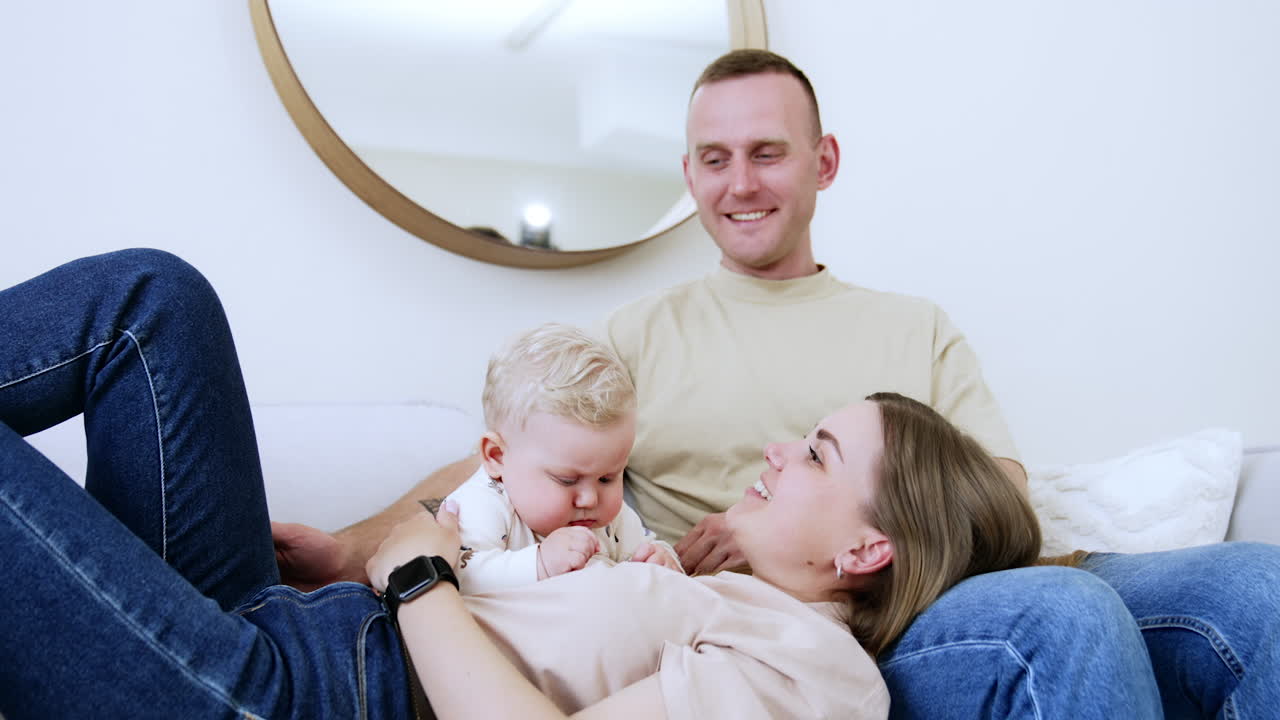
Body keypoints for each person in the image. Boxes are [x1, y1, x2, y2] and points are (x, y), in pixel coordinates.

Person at [276, 48, 1280, 719]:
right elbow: (497, 469)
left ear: (821, 162)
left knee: (1258, 585)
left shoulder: (912, 325)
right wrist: (346, 548)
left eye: (765, 153)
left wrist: (867, 540)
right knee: (1063, 623)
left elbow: (997, 502)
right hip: (796, 623)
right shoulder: (639, 336)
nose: (740, 183)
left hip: (917, 581)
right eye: (713, 160)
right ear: (687, 171)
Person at [1, 249, 1162, 718]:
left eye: (812, 452)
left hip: (291, 694)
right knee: (152, 303)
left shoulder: (813, 672)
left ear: (867, 550)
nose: (772, 451)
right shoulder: (672, 557)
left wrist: (415, 574)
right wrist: (362, 545)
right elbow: (520, 461)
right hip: (279, 618)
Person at [446, 322, 680, 595]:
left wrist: (662, 560)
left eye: (608, 478)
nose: (590, 499)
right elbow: (460, 575)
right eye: (567, 480)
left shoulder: (608, 518)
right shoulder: (483, 504)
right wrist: (540, 563)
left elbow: (645, 547)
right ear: (497, 456)